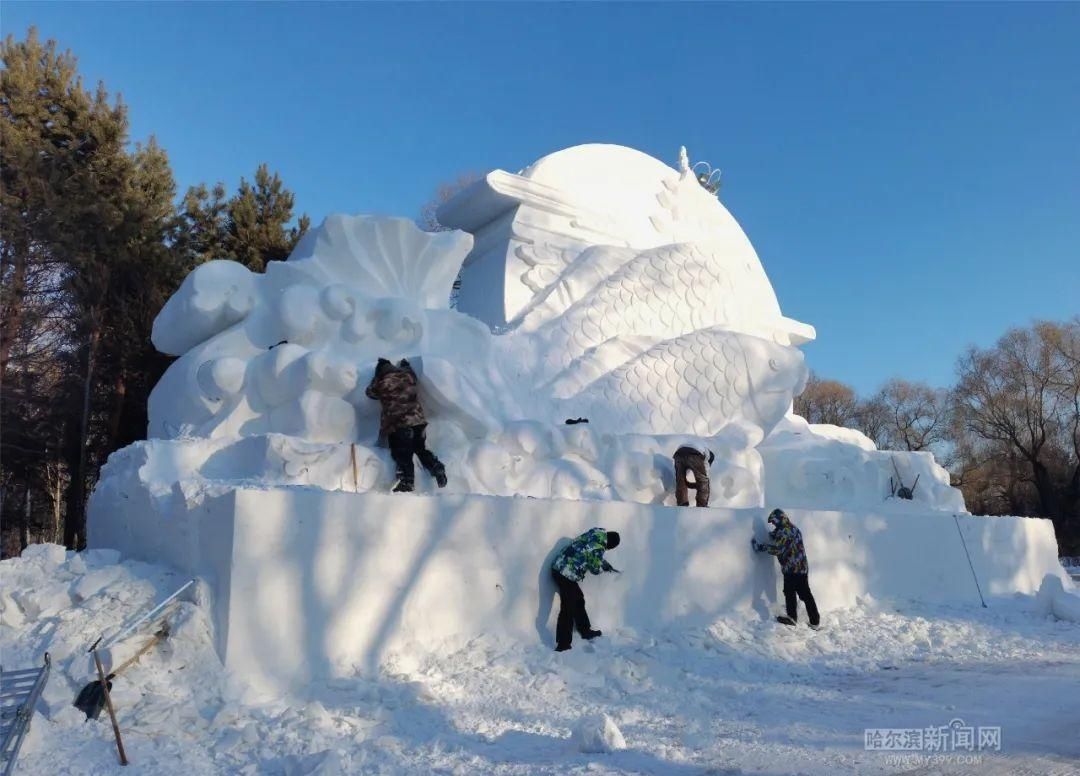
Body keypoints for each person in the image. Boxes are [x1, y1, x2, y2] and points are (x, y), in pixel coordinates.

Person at [365, 357, 447, 493]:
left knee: (402, 453)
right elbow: (413, 375)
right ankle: (436, 467)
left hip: (398, 422)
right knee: (420, 449)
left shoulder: (381, 381)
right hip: (418, 420)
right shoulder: (408, 376)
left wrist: (376, 378)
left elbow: (370, 393)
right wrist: (406, 366)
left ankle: (407, 482)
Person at [550, 527, 621, 652]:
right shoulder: (598, 549)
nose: (607, 550)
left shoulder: (597, 532)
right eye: (608, 548)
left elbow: (589, 551)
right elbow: (594, 568)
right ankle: (563, 644)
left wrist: (602, 562)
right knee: (568, 608)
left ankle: (585, 630)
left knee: (578, 600)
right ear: (609, 545)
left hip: (560, 565)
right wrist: (602, 566)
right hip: (565, 574)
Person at [752, 509, 820, 629]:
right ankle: (815, 621)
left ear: (779, 520)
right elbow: (780, 537)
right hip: (802, 567)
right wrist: (770, 534)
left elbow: (778, 549)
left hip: (792, 568)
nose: (773, 525)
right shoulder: (792, 528)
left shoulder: (785, 532)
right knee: (805, 594)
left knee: (789, 592)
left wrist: (761, 547)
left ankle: (792, 618)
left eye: (774, 522)